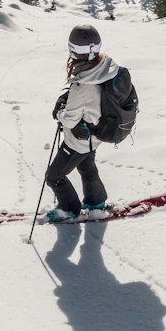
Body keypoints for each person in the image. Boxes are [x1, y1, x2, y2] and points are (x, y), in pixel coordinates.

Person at [46, 23, 118, 222]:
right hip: (94, 135)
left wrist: (60, 111)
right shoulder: (104, 68)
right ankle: (96, 202)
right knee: (87, 168)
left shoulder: (82, 86)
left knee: (54, 177)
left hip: (78, 141)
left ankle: (69, 209)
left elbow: (69, 119)